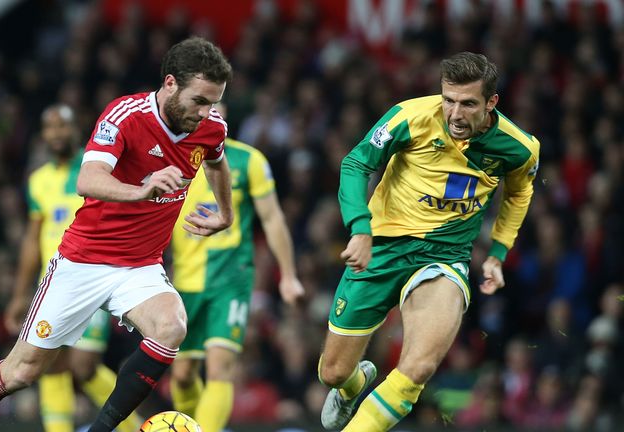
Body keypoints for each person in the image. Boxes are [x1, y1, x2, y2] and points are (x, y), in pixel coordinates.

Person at [0, 36, 234, 432]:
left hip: (140, 265)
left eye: (213, 102)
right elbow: (88, 179)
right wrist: (142, 189)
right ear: (170, 84)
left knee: (172, 325)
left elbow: (216, 162)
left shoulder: (211, 127)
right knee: (21, 372)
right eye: (199, 100)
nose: (205, 112)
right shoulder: (125, 115)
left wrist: (226, 214)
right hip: (83, 261)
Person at [318, 52, 540, 431]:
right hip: (381, 250)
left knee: (417, 368)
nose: (454, 114)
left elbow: (519, 194)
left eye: (468, 103)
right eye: (448, 100)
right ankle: (353, 385)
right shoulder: (409, 116)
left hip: (443, 258)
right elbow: (356, 163)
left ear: (491, 102)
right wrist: (360, 228)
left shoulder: (519, 148)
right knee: (333, 372)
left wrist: (498, 252)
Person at [2, 104, 140, 432]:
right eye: (49, 128)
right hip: (52, 283)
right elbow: (32, 241)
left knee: (85, 365)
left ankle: (136, 427)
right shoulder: (38, 181)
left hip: (92, 275)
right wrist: (21, 294)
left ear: (75, 129)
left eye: (62, 126)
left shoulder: (97, 170)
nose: (56, 134)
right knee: (50, 365)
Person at [168, 104, 306, 432]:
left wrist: (288, 276)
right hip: (184, 281)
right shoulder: (171, 158)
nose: (211, 117)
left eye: (218, 111)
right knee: (183, 374)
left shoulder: (249, 161)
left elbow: (272, 218)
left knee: (220, 368)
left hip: (231, 277)